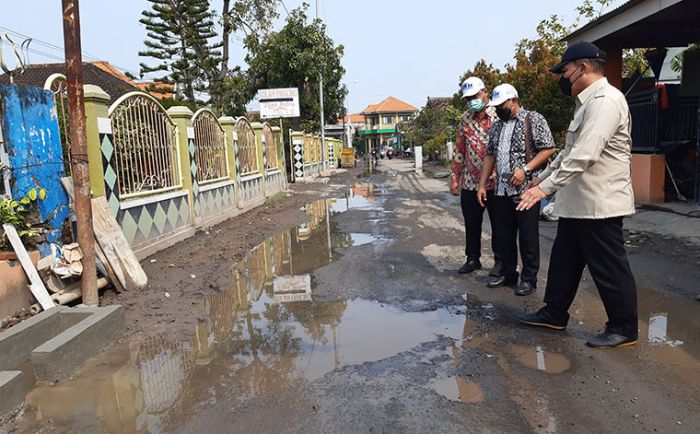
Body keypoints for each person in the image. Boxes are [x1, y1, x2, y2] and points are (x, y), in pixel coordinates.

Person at [516, 41, 638, 349]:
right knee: (564, 262)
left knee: (609, 268)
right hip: (577, 204)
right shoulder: (587, 104)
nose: (563, 78)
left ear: (582, 68)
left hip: (600, 204)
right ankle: (555, 313)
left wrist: (543, 190)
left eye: (565, 71)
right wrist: (539, 179)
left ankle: (624, 327)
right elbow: (566, 154)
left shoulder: (605, 102)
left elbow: (584, 156)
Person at [477, 84, 556, 296]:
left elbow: (549, 148)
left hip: (527, 190)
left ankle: (529, 279)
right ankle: (508, 273)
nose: (499, 109)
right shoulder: (497, 126)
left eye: (502, 105)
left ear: (513, 100)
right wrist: (482, 184)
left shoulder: (533, 119)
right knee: (504, 235)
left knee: (528, 237)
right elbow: (490, 156)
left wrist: (526, 169)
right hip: (501, 190)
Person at [450, 77, 502, 276]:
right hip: (470, 182)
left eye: (475, 96)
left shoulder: (498, 115)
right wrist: (455, 177)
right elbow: (459, 149)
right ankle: (472, 259)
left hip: (496, 182)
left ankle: (500, 262)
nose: (472, 101)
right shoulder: (465, 119)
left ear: (485, 92)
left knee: (499, 225)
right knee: (471, 223)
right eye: (468, 98)